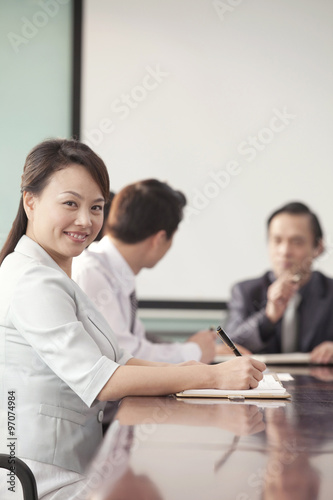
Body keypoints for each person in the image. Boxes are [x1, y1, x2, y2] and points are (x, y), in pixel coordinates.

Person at [0, 138, 265, 491]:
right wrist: (209, 378)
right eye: (70, 204)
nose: (86, 220)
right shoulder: (32, 281)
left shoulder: (55, 273)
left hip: (72, 461)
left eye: (96, 208)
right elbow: (103, 381)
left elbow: (121, 358)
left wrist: (189, 370)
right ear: (30, 201)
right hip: (43, 477)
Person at [73, 179, 236, 364]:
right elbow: (122, 355)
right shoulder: (92, 272)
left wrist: (197, 349)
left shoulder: (115, 270)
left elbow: (137, 342)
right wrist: (193, 352)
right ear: (159, 239)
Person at [226, 201, 333, 362]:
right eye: (277, 241)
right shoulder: (245, 291)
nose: (284, 251)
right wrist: (268, 317)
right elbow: (227, 347)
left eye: (297, 242)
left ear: (318, 247)